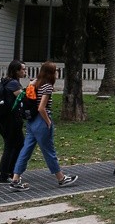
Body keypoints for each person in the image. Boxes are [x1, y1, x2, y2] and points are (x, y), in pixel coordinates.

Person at [9, 61, 77, 191]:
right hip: (41, 120)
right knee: (49, 151)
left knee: (26, 150)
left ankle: (15, 179)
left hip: (31, 121)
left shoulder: (35, 84)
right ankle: (61, 178)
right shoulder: (47, 86)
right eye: (55, 71)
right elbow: (42, 108)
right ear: (51, 73)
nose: (57, 73)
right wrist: (48, 122)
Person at [0, 60, 26, 184]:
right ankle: (5, 175)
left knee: (18, 145)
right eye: (23, 69)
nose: (25, 71)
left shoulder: (7, 81)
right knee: (10, 146)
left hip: (5, 120)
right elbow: (24, 98)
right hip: (10, 121)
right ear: (16, 71)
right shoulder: (13, 84)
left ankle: (12, 172)